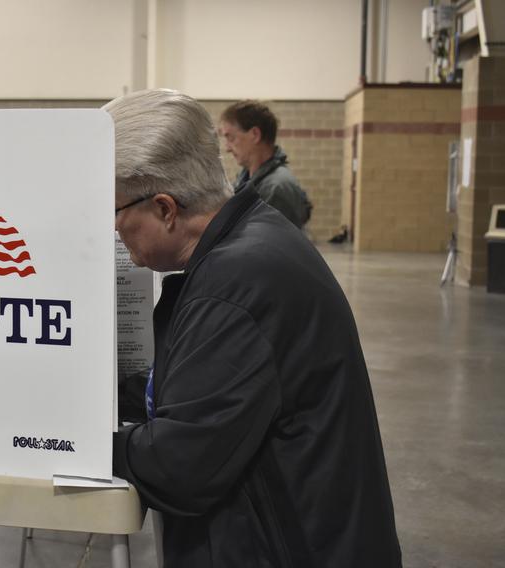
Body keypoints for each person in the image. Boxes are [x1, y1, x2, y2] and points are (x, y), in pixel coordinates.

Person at [105, 89, 401, 567]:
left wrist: (73, 445)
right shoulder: (250, 239)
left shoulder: (236, 284)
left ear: (164, 208)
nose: (113, 230)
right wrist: (103, 396)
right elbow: (201, 390)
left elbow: (180, 465)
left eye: (115, 212)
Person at [219, 100, 312, 228]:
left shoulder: (277, 188)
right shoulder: (246, 180)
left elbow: (269, 245)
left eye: (231, 138)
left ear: (255, 135)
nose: (227, 148)